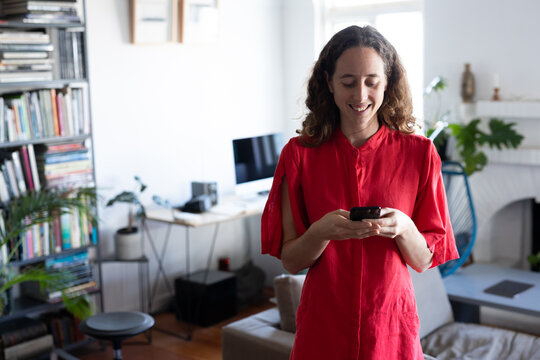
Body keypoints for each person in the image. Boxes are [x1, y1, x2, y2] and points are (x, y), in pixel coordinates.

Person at [261, 25, 459, 360]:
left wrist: (404, 226)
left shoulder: (420, 153)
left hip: (390, 324)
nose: (360, 95)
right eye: (348, 82)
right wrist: (322, 231)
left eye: (372, 81)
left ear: (388, 81)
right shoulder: (299, 154)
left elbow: (424, 260)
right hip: (323, 324)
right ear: (328, 82)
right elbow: (292, 261)